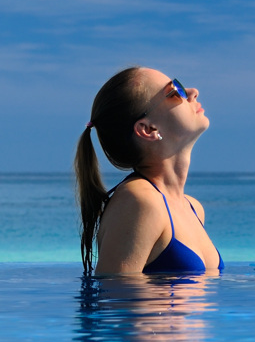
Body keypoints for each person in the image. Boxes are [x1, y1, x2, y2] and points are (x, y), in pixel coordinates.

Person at [75, 67, 222, 276]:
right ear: (148, 129)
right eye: (175, 91)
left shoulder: (193, 208)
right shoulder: (139, 202)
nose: (192, 92)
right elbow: (113, 299)